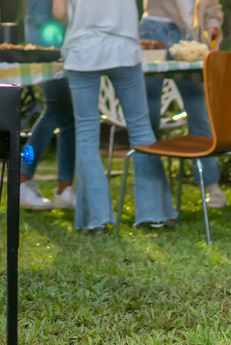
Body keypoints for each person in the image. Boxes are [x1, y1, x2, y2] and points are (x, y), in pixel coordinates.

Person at [54, 0, 178, 232]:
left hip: (83, 51)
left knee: (87, 134)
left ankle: (97, 219)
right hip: (124, 49)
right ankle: (154, 214)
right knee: (141, 128)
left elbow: (59, 13)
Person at [140, 0, 227, 208]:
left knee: (198, 111)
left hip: (189, 37)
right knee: (149, 114)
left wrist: (213, 27)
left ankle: (212, 185)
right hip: (153, 32)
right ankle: (151, 186)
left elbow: (213, 7)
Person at [20, 0, 77, 211]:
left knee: (66, 112)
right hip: (50, 32)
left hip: (45, 29)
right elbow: (60, 11)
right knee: (56, 109)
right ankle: (22, 180)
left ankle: (65, 189)